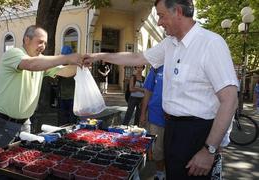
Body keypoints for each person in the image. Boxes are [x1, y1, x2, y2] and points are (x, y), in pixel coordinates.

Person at [83, 0, 238, 179]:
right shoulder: (169, 44)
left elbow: (230, 100)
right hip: (171, 128)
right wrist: (99, 56)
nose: (158, 22)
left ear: (178, 12)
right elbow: (137, 57)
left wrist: (209, 150)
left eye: (161, 15)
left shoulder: (211, 44)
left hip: (198, 134)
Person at [0, 25, 80, 149]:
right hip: (2, 122)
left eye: (45, 43)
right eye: (40, 41)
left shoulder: (40, 61)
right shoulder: (14, 53)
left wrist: (79, 65)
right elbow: (31, 64)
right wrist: (66, 57)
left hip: (25, 122)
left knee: (21, 161)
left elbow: (65, 72)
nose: (43, 46)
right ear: (27, 39)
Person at [139, 66, 165, 180]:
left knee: (173, 150)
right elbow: (148, 91)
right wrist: (143, 113)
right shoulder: (156, 67)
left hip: (177, 118)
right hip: (155, 115)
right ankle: (160, 174)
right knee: (156, 151)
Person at [57, 45, 77, 125]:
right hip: (63, 96)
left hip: (71, 96)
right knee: (64, 118)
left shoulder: (73, 66)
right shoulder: (60, 66)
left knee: (71, 117)